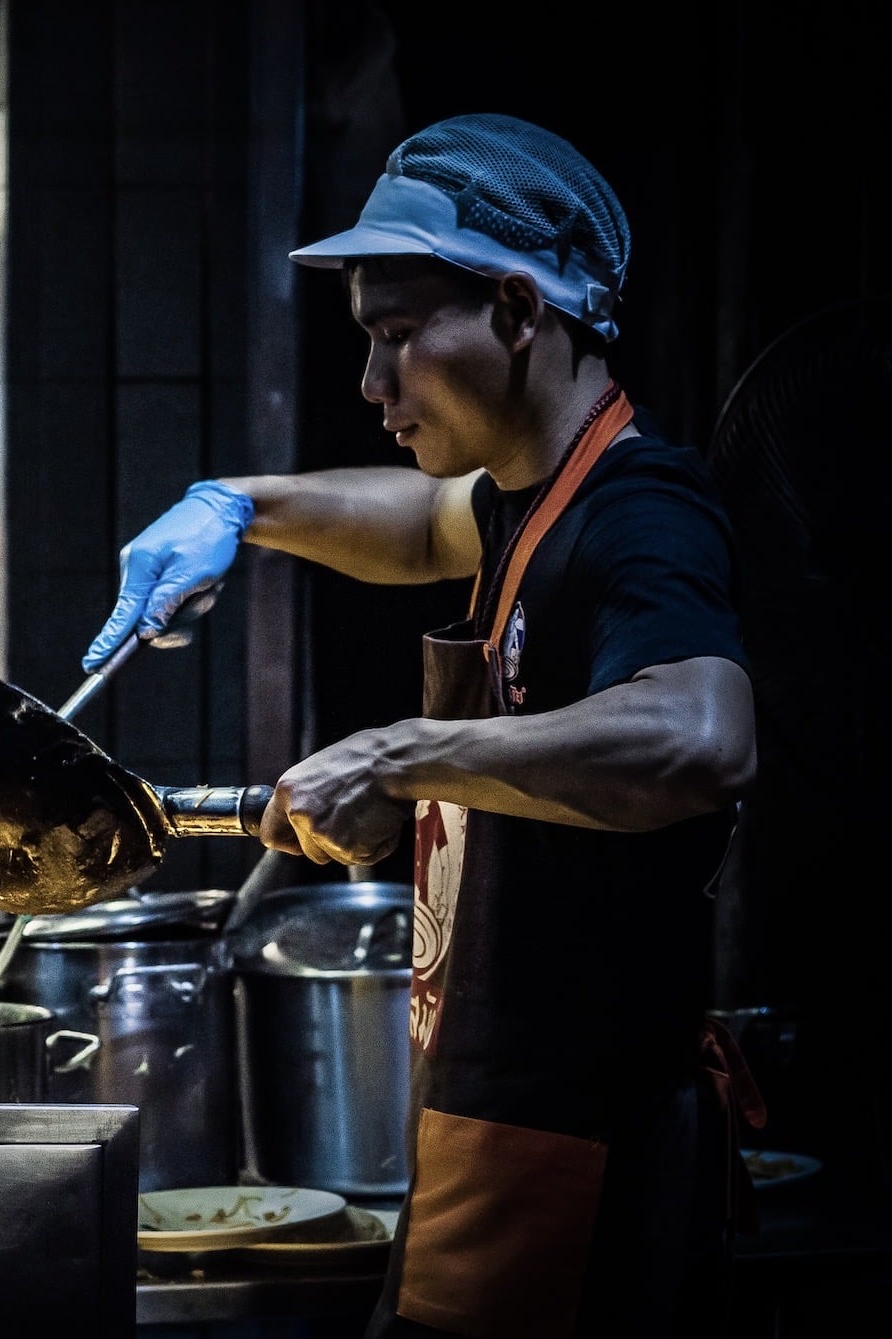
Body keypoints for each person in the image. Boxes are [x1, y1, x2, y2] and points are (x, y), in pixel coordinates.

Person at [83, 113, 765, 1339]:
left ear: (517, 311)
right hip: (490, 1126)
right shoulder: (527, 500)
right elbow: (411, 523)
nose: (371, 384)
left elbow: (700, 733)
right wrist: (237, 505)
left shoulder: (641, 509)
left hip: (581, 1154)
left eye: (398, 337)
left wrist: (403, 752)